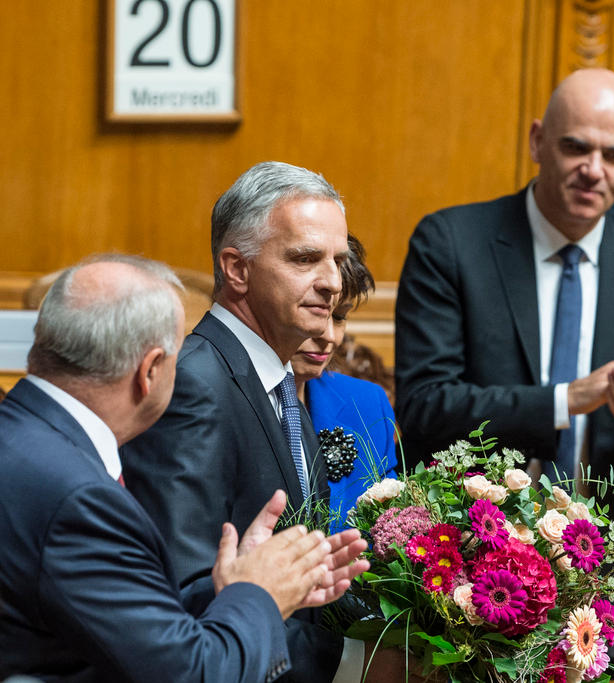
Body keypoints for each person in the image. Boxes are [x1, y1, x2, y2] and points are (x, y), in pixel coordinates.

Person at [0, 255, 369, 682]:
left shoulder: (21, 435)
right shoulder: (79, 500)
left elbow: (120, 619)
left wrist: (229, 586)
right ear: (151, 370)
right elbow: (192, 674)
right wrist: (259, 594)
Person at [395, 68, 614, 484]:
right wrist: (565, 400)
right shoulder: (451, 243)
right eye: (576, 147)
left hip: (599, 538)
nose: (593, 170)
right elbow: (424, 407)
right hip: (466, 531)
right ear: (538, 141)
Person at [122, 161, 354, 681]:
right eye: (305, 259)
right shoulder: (195, 386)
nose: (333, 282)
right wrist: (352, 664)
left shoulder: (274, 374)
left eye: (337, 260)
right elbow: (186, 591)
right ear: (237, 269)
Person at [292, 234, 398, 532]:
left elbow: (391, 535)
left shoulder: (367, 404)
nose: (328, 336)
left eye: (338, 317)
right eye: (315, 310)